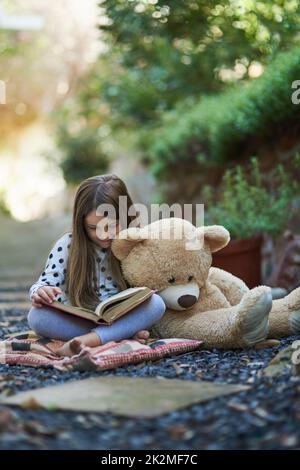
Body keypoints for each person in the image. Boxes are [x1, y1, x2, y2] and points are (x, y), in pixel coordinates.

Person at [27, 174, 166, 357]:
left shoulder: (135, 243)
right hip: (80, 320)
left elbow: (150, 285)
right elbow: (46, 281)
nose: (103, 235)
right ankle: (117, 336)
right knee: (37, 316)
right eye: (93, 228)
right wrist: (40, 291)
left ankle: (91, 340)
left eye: (112, 225)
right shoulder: (68, 244)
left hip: (120, 317)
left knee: (157, 304)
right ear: (81, 223)